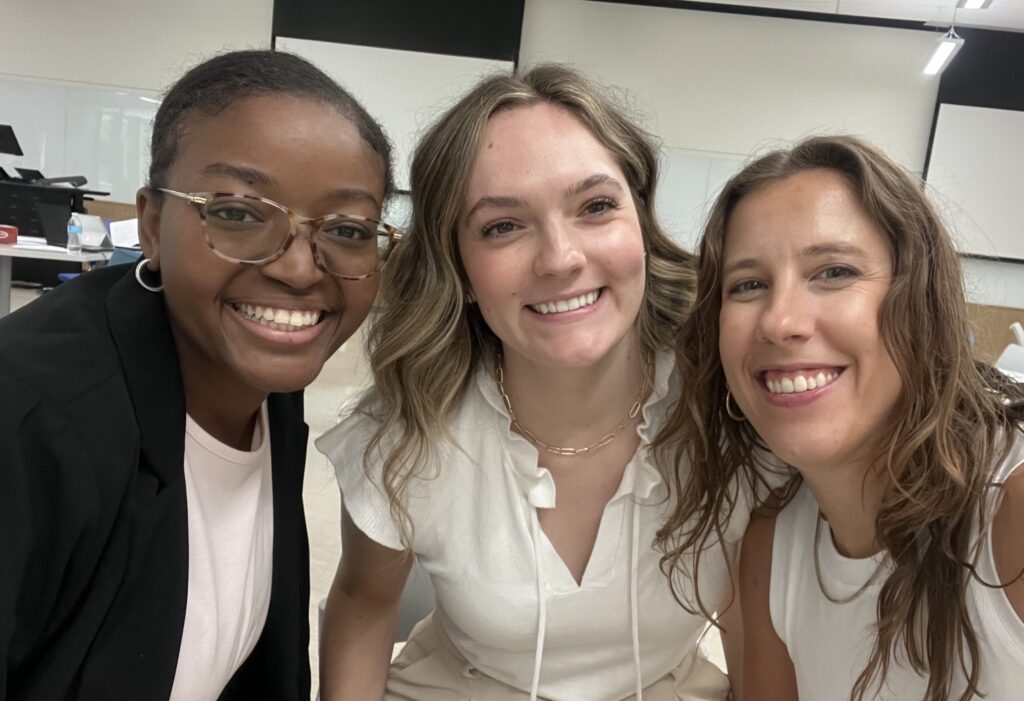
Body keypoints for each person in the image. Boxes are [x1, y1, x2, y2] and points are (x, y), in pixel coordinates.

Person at [316, 64, 761, 701]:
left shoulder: (733, 406)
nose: (561, 259)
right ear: (459, 270)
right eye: (502, 226)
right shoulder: (407, 427)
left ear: (640, 221)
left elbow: (752, 620)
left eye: (596, 206)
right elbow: (363, 603)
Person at [0, 50, 400, 700]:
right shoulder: (30, 420)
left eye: (348, 228)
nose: (300, 270)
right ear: (153, 224)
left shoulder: (269, 389)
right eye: (238, 213)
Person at [658, 134, 1024, 701]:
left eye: (833, 272)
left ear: (920, 303)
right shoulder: (770, 546)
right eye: (749, 284)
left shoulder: (1011, 509)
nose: (780, 322)